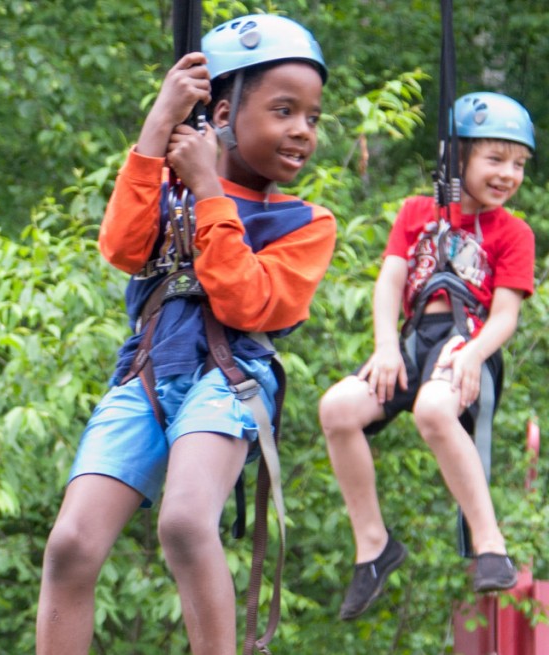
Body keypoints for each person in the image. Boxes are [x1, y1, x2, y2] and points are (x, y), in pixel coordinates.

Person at [35, 15, 336, 655]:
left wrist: (207, 188)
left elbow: (248, 301)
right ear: (222, 115)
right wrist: (158, 125)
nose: (302, 132)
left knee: (183, 521)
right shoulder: (166, 190)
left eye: (311, 117)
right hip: (145, 372)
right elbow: (120, 247)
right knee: (70, 544)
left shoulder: (305, 222)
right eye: (284, 111)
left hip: (227, 379)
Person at [318, 92, 536, 621]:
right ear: (455, 158)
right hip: (414, 342)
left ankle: (491, 545)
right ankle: (373, 547)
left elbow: (505, 315)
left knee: (435, 410)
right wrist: (386, 345)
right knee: (338, 408)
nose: (509, 174)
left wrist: (473, 355)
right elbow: (391, 281)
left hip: (466, 345)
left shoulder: (513, 232)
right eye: (496, 159)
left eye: (519, 164)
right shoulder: (419, 213)